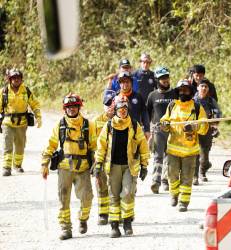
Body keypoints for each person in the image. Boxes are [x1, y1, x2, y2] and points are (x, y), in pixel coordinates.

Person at [41, 93, 96, 240]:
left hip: (83, 168)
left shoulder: (88, 125)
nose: (71, 109)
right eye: (68, 107)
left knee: (87, 197)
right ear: (64, 109)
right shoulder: (60, 125)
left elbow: (95, 146)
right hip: (64, 168)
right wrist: (45, 163)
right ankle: (66, 228)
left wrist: (97, 164)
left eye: (74, 106)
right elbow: (51, 144)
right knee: (63, 199)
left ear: (79, 107)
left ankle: (83, 219)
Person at [94, 95, 150, 238]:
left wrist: (144, 165)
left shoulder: (134, 125)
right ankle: (114, 226)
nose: (123, 111)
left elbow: (143, 145)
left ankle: (127, 222)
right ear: (116, 110)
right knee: (113, 196)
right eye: (120, 109)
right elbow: (101, 146)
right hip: (112, 167)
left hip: (129, 166)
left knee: (127, 193)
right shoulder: (108, 126)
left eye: (125, 108)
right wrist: (98, 163)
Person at [160, 79, 208, 212]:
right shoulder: (172, 105)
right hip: (173, 151)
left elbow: (204, 126)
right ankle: (174, 194)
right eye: (180, 90)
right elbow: (165, 120)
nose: (183, 92)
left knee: (187, 179)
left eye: (185, 90)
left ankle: (183, 202)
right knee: (172, 176)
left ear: (190, 92)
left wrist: (194, 126)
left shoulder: (197, 107)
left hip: (190, 152)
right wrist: (164, 124)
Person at [0, 68, 42, 176]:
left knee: (20, 146)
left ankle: (17, 166)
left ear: (21, 79)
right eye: (14, 78)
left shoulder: (26, 91)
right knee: (7, 146)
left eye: (18, 78)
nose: (16, 80)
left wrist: (38, 117)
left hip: (22, 124)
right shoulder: (4, 91)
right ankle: (6, 168)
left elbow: (35, 104)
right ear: (10, 79)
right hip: (7, 123)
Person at [147, 66, 177, 194]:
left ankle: (166, 180)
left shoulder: (175, 93)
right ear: (157, 80)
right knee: (158, 156)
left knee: (170, 156)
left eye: (166, 77)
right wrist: (147, 131)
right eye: (161, 78)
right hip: (158, 130)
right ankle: (156, 181)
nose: (165, 80)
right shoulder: (152, 95)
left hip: (173, 129)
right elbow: (147, 114)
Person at [92, 89, 116, 225]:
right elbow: (92, 143)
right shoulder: (96, 121)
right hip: (101, 160)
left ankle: (118, 213)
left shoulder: (124, 120)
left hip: (119, 160)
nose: (110, 107)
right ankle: (103, 214)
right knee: (101, 187)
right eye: (107, 104)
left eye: (113, 103)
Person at [193, 79, 222, 185]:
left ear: (208, 89)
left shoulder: (211, 101)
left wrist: (215, 123)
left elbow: (218, 112)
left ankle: (203, 171)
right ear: (197, 87)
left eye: (206, 87)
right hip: (195, 129)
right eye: (202, 86)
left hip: (207, 129)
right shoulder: (192, 101)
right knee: (195, 153)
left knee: (204, 154)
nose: (204, 88)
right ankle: (195, 176)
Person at [118, 71, 150, 140]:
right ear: (119, 84)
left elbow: (144, 113)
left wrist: (147, 130)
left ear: (131, 83)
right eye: (123, 82)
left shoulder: (138, 96)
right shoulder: (115, 97)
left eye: (127, 82)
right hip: (120, 132)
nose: (125, 84)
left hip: (136, 131)